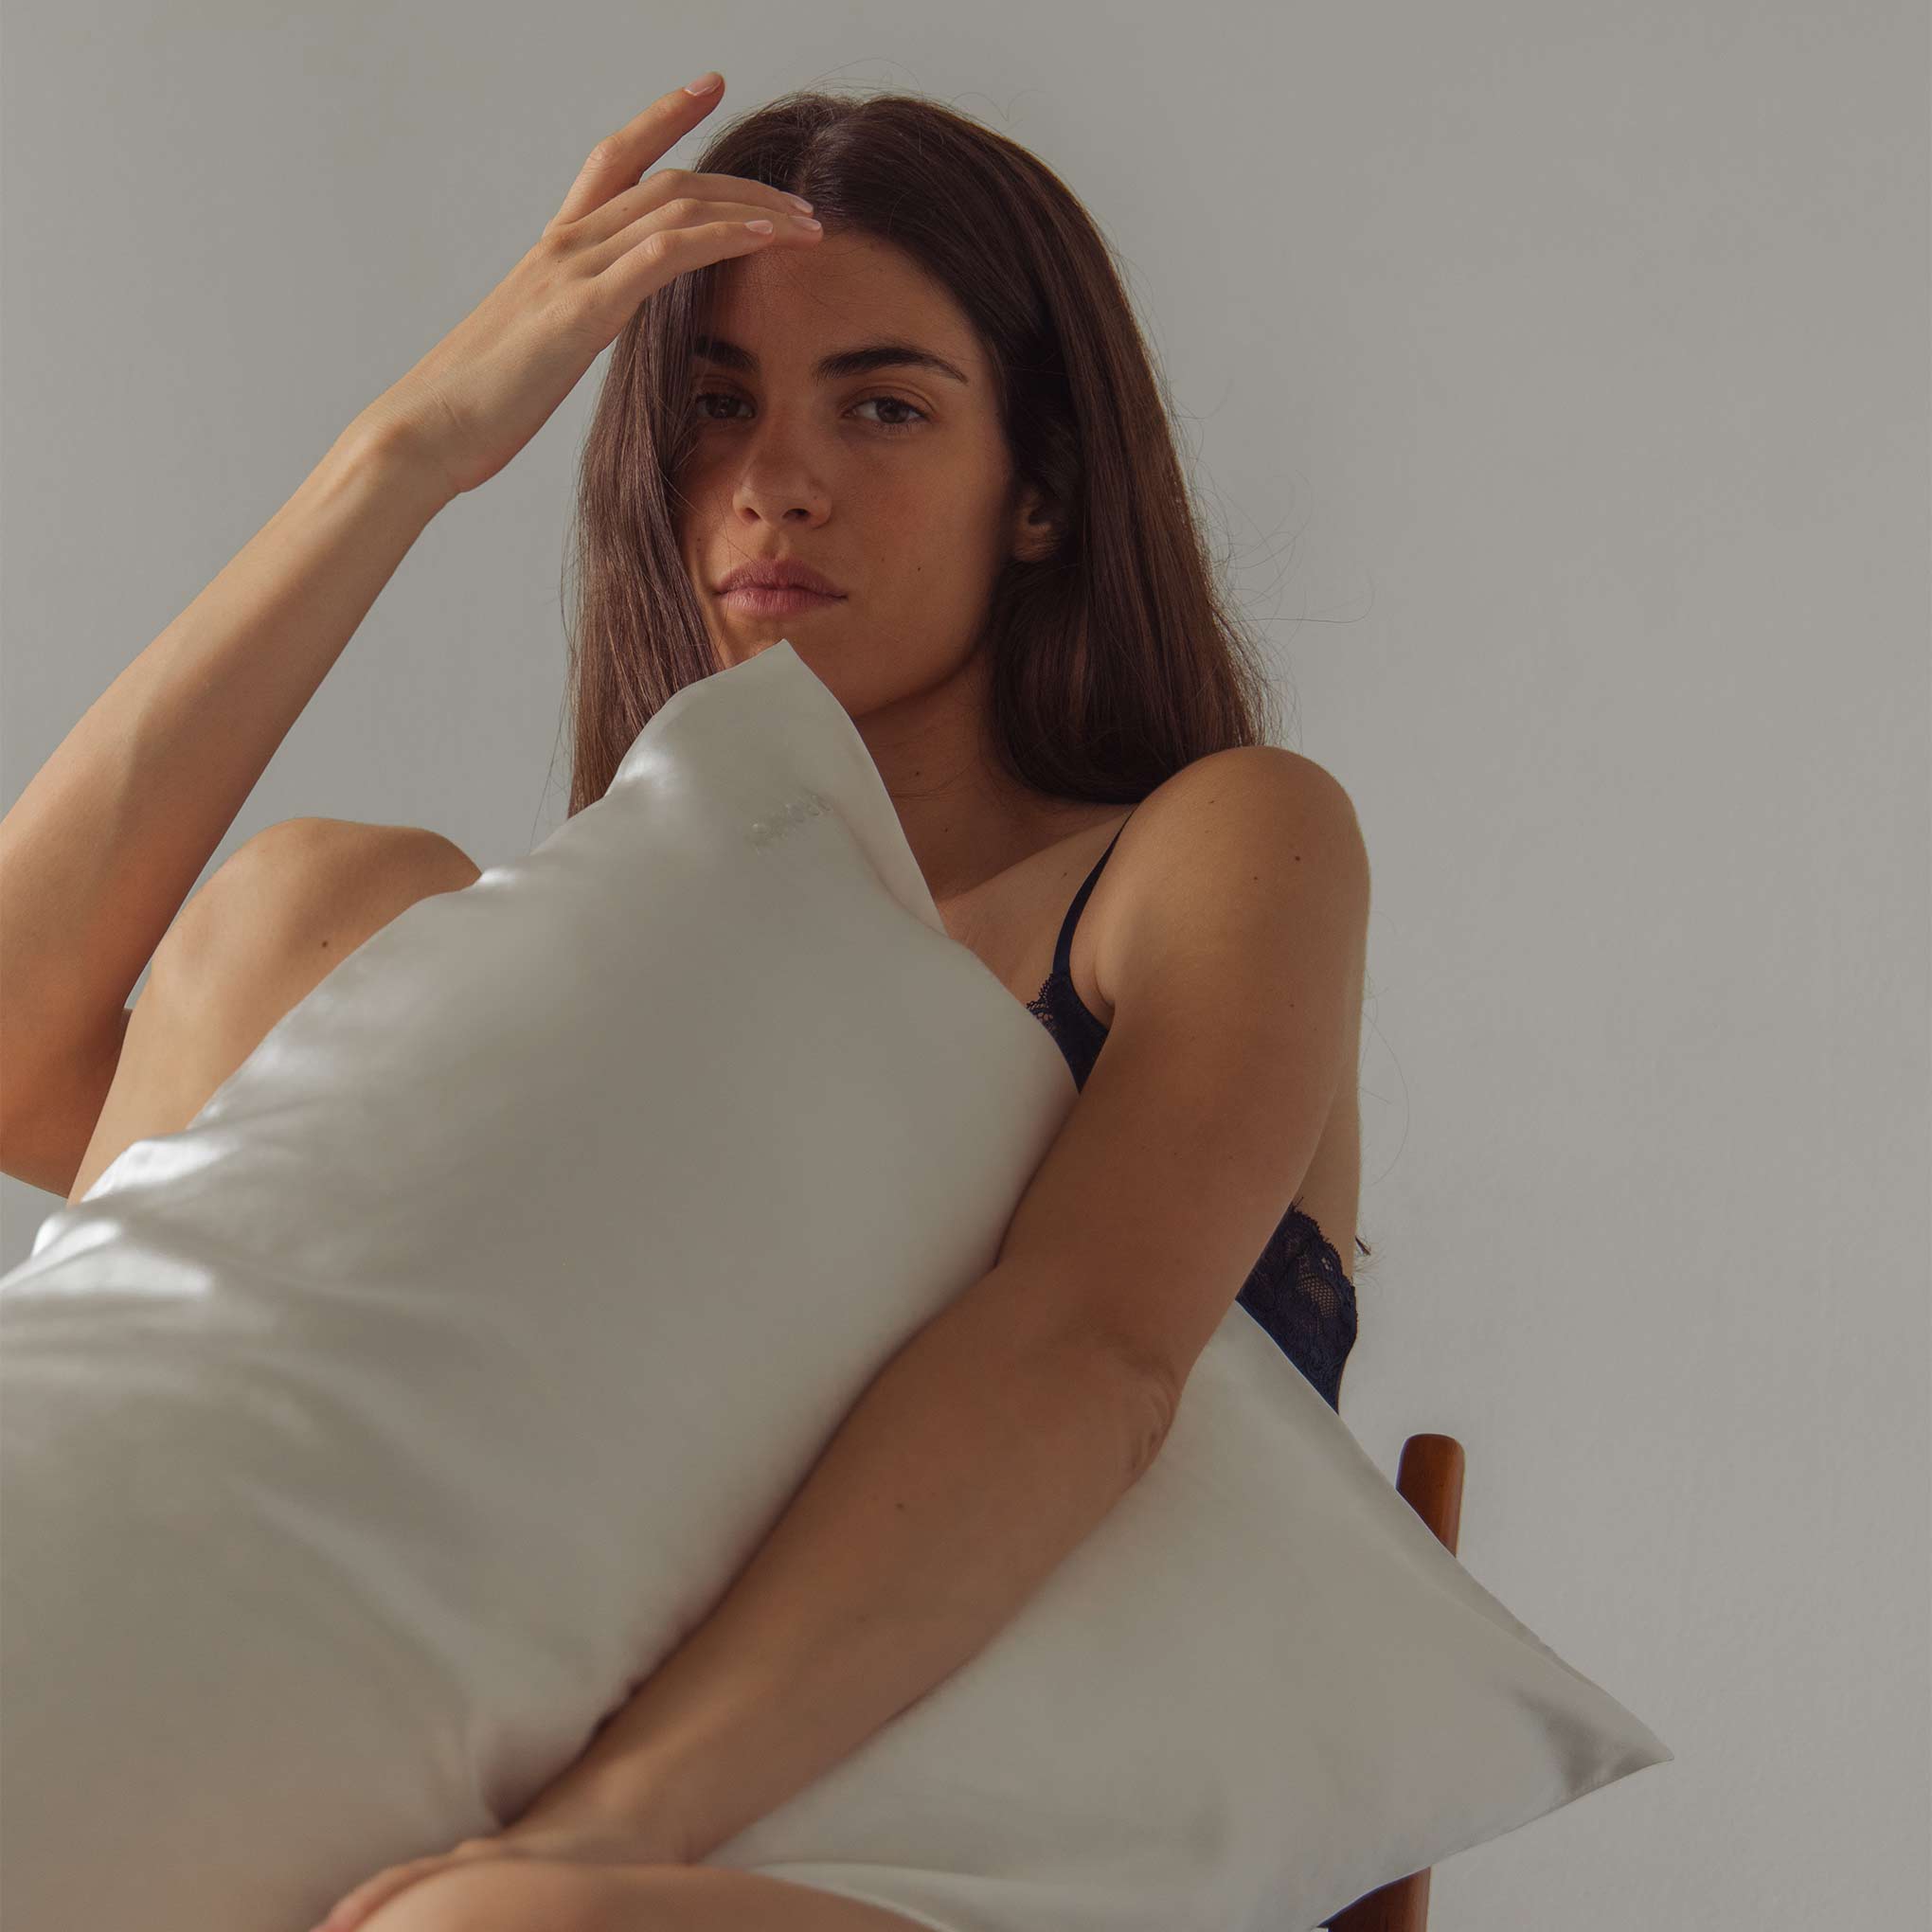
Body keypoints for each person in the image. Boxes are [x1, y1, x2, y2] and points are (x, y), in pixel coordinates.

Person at [0, 74, 1372, 1932]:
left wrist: (593, 1829)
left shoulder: (1206, 854)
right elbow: (26, 1058)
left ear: (1042, 491)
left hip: (960, 1817)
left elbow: (1091, 1362)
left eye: (880, 405)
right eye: (715, 408)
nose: (771, 481)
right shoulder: (570, 998)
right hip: (441, 1758)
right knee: (322, 899)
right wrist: (413, 445)